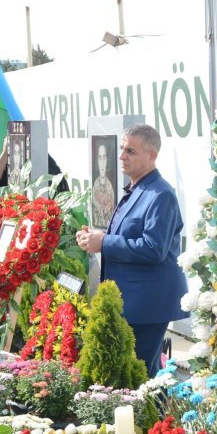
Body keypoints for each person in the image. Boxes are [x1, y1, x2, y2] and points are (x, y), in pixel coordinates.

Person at [74, 125, 188, 374]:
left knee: (141, 376)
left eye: (130, 151)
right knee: (135, 376)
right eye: (122, 149)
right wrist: (93, 239)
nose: (122, 156)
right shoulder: (137, 189)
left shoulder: (160, 195)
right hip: (133, 300)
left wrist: (103, 242)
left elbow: (153, 248)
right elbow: (124, 238)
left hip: (147, 304)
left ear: (152, 155)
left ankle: (155, 415)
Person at [90, 142, 116, 230]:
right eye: (100, 158)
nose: (102, 162)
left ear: (107, 161)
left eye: (104, 158)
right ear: (97, 161)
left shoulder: (110, 188)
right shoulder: (94, 186)